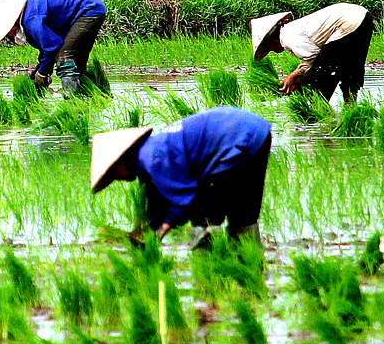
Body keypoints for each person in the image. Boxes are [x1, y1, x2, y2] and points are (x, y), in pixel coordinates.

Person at [90, 107, 273, 249]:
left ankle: (208, 275)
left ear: (121, 162)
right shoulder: (151, 154)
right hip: (257, 132)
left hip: (232, 138)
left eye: (113, 174)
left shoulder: (153, 158)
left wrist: (162, 231)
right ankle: (252, 273)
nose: (117, 179)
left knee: (204, 218)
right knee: (243, 217)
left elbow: (185, 199)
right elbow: (160, 204)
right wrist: (149, 232)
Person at [0, 0, 106, 95]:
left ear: (12, 24)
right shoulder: (30, 13)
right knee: (76, 63)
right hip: (87, 6)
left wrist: (42, 73)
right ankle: (88, 96)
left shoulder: (30, 20)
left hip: (88, 9)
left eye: (8, 33)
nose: (10, 36)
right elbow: (46, 48)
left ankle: (72, 103)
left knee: (65, 57)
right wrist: (39, 71)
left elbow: (53, 46)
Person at [251, 3, 373, 103]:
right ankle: (351, 108)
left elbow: (315, 58)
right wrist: (299, 80)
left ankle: (319, 110)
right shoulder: (292, 29)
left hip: (346, 23)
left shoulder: (287, 35)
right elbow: (314, 60)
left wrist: (293, 76)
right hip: (363, 17)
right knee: (350, 67)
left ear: (272, 38)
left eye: (268, 46)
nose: (271, 50)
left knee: (325, 71)